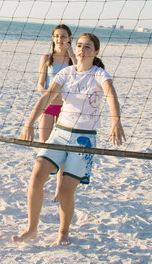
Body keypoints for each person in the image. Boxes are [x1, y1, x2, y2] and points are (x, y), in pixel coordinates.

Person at [13, 33, 125, 246]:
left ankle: (63, 232)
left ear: (96, 52)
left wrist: (116, 122)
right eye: (80, 46)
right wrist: (29, 122)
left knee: (65, 191)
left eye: (88, 47)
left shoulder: (99, 74)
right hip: (60, 133)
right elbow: (46, 97)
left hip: (84, 139)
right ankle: (32, 228)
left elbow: (112, 96)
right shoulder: (66, 73)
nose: (83, 49)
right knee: (36, 178)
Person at [37, 25, 75, 201]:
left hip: (66, 108)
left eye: (64, 36)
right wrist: (48, 94)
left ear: (69, 38)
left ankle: (59, 191)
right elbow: (39, 84)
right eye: (57, 36)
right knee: (44, 146)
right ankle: (39, 184)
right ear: (53, 38)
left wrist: (72, 53)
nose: (60, 39)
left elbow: (80, 74)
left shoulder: (72, 59)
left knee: (63, 150)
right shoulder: (46, 58)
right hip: (48, 105)